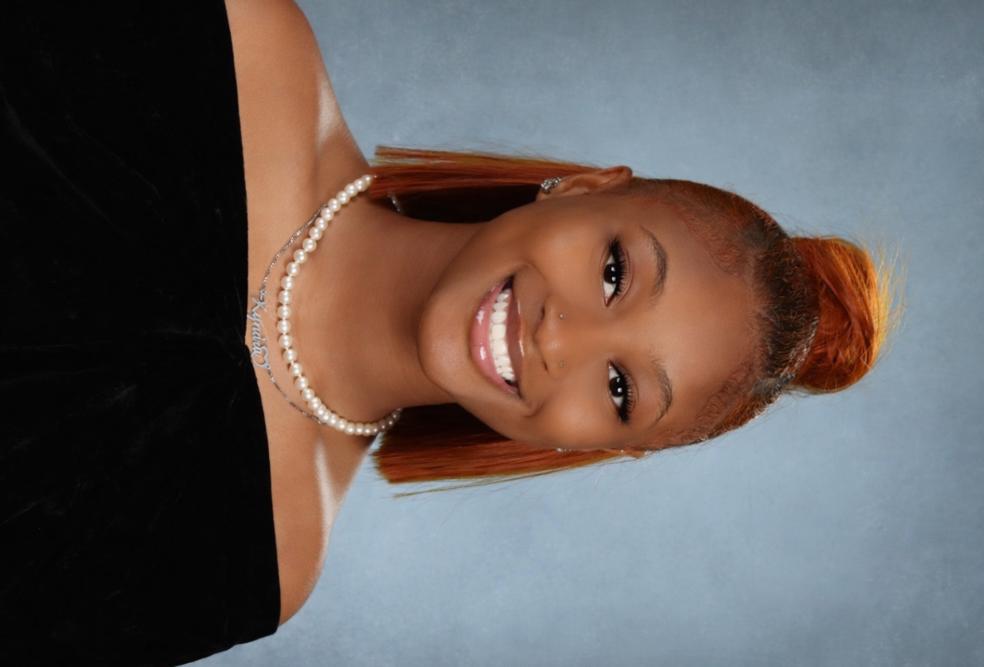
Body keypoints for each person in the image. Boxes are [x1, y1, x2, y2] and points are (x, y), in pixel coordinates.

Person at [0, 0, 901, 663]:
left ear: (600, 445)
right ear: (587, 186)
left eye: (622, 388)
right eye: (615, 272)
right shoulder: (247, 51)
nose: (561, 341)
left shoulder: (264, 558)